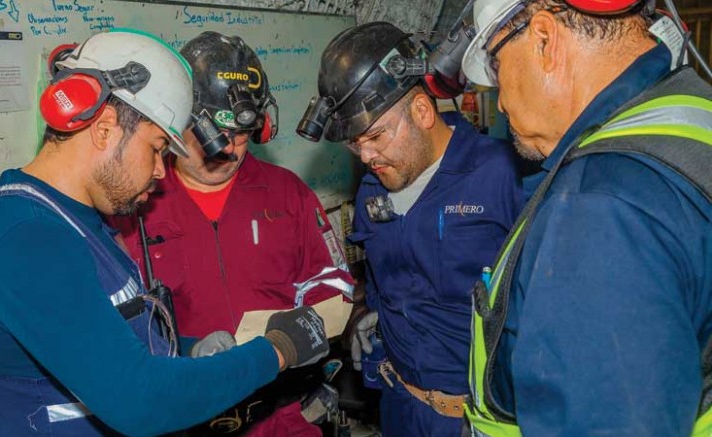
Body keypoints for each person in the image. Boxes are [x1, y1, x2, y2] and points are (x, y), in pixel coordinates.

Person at [0, 29, 329, 437]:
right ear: (105, 128)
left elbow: (105, 343)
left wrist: (192, 348)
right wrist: (277, 350)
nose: (161, 171)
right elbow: (141, 399)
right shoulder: (15, 238)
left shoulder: (81, 226)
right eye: (157, 147)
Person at [460, 0, 712, 435]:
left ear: (544, 40)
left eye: (499, 71)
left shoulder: (599, 205)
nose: (499, 104)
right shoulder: (687, 111)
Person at [107, 31, 353, 436]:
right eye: (212, 135)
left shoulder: (287, 193)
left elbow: (335, 284)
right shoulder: (135, 204)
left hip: (284, 417)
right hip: (184, 419)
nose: (228, 150)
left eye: (240, 135)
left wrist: (285, 337)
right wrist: (184, 350)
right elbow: (114, 329)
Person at [299, 22, 523, 436]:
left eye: (375, 136)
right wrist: (371, 313)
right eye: (354, 144)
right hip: (401, 410)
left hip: (482, 421)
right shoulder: (372, 190)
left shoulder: (503, 176)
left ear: (421, 111)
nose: (366, 155)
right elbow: (388, 278)